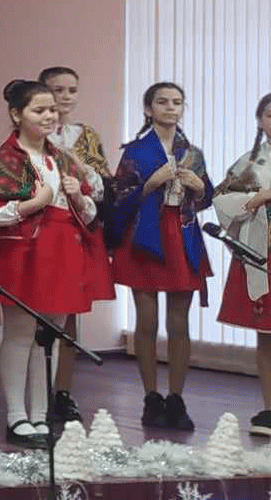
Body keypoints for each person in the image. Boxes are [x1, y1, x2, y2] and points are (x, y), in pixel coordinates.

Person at [0, 80, 105, 448]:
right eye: (39, 110)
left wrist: (79, 197)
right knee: (20, 334)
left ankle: (40, 413)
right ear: (16, 114)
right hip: (25, 252)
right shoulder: (8, 158)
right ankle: (16, 416)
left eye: (52, 109)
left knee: (49, 338)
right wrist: (33, 204)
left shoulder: (63, 157)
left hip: (63, 250)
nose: (49, 116)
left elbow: (89, 210)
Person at [108, 81, 213, 433]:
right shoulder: (135, 151)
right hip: (145, 234)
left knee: (180, 322)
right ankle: (150, 397)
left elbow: (206, 197)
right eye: (163, 102)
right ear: (148, 109)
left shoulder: (193, 153)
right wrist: (150, 184)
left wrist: (200, 188)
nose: (170, 107)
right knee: (147, 320)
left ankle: (177, 398)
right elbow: (118, 197)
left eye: (177, 102)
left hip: (182, 235)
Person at [39, 65, 114, 425]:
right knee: (39, 313)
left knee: (70, 313)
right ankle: (36, 393)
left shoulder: (86, 136)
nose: (65, 97)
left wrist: (81, 168)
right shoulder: (31, 135)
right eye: (58, 90)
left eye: (71, 90)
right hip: (42, 229)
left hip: (79, 228)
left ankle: (63, 391)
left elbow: (103, 187)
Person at [212, 93, 271, 438]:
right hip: (264, 251)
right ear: (259, 120)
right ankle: (269, 407)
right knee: (268, 336)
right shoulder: (248, 163)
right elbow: (221, 202)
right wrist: (257, 198)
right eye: (270, 115)